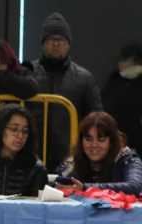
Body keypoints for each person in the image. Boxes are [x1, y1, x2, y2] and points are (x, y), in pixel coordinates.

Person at [26, 12, 103, 171]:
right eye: (51, 39)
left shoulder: (85, 78)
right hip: (29, 154)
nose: (56, 44)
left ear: (68, 44)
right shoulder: (26, 73)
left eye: (60, 40)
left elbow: (97, 120)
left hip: (71, 159)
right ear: (42, 43)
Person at [56, 111, 142, 196]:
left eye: (101, 139)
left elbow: (135, 187)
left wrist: (85, 188)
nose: (94, 145)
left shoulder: (127, 158)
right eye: (88, 139)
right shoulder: (72, 161)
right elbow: (57, 182)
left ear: (112, 142)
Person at [101, 43, 142, 150]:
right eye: (120, 60)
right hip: (115, 141)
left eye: (125, 61)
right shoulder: (114, 79)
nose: (120, 64)